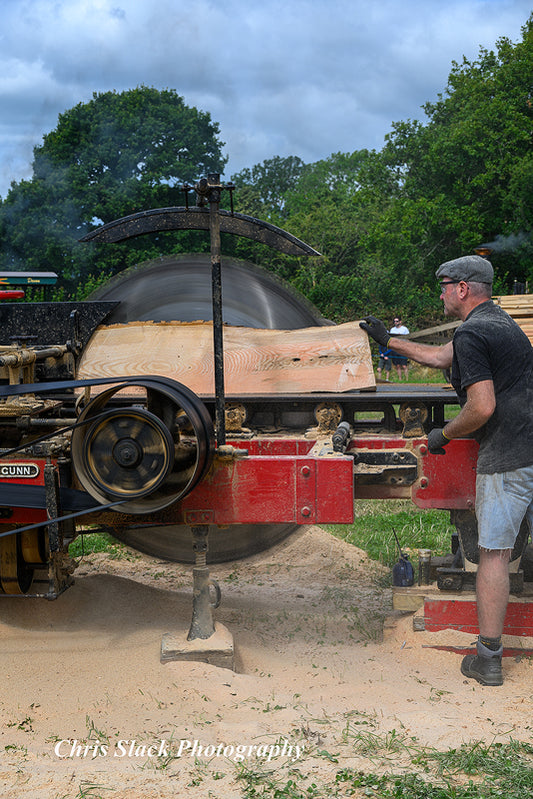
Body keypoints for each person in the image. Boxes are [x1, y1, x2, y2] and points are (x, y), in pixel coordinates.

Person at [360, 255, 533, 687]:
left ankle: (489, 660)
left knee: (494, 555)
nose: (439, 293)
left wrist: (444, 436)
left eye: (443, 285)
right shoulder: (498, 323)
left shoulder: (475, 332)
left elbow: (482, 406)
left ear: (462, 289)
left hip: (510, 455)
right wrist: (389, 342)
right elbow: (440, 356)